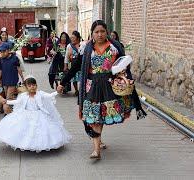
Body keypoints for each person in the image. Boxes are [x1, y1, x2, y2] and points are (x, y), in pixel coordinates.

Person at [57, 20, 146, 159]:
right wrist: (63, 82)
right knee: (93, 117)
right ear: (92, 33)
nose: (100, 34)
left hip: (109, 87)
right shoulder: (86, 49)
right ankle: (96, 149)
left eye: (102, 31)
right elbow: (75, 67)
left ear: (106, 32)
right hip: (92, 87)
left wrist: (125, 79)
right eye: (96, 32)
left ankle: (97, 146)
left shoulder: (115, 47)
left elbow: (124, 66)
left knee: (101, 115)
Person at [0, 76, 71, 152]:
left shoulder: (40, 94)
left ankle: (40, 144)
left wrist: (56, 92)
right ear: (26, 87)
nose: (32, 87)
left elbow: (49, 96)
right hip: (26, 114)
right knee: (25, 130)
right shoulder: (23, 96)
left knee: (39, 130)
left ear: (36, 85)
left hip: (39, 114)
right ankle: (25, 144)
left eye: (34, 85)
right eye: (29, 85)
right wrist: (7, 101)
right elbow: (17, 101)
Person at [64, 31, 82, 96]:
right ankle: (76, 90)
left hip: (81, 65)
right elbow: (66, 57)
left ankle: (81, 90)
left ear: (77, 38)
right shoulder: (69, 46)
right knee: (74, 78)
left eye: (73, 38)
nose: (72, 39)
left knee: (81, 78)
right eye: (71, 38)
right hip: (73, 65)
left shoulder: (82, 45)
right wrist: (65, 66)